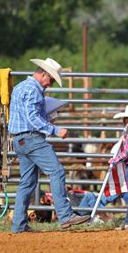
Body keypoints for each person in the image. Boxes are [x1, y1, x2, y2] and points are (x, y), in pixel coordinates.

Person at [8, 57, 90, 233]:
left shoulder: (20, 87)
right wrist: (54, 129)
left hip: (20, 140)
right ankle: (65, 215)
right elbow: (32, 117)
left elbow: (26, 115)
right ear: (43, 74)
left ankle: (19, 225)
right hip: (32, 138)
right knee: (57, 171)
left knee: (27, 183)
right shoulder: (33, 90)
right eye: (50, 80)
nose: (49, 84)